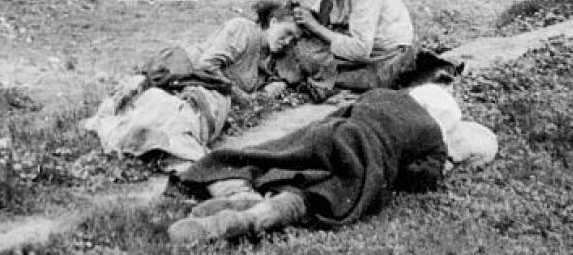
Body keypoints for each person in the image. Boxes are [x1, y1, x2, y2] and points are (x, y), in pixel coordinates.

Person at [167, 84, 498, 244]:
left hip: (332, 133)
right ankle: (245, 220)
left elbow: (338, 115)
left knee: (272, 159)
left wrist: (308, 139)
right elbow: (419, 178)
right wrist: (443, 163)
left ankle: (239, 190)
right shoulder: (433, 138)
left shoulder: (382, 95)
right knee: (321, 196)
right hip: (364, 156)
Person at [83, 0, 302, 162]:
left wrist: (274, 87)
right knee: (170, 110)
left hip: (209, 88)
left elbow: (287, 78)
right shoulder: (243, 29)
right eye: (287, 33)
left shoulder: (266, 60)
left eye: (294, 40)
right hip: (183, 72)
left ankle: (153, 140)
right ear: (273, 22)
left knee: (193, 119)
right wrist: (239, 95)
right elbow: (207, 65)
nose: (288, 42)